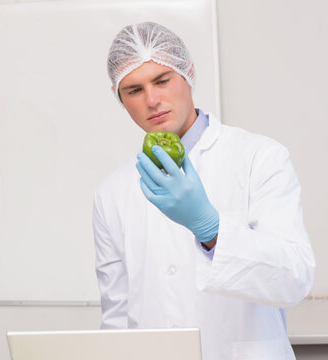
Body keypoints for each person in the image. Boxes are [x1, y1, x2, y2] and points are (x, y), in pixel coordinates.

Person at [92, 22, 316, 360]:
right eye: (134, 90)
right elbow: (118, 322)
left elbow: (294, 281)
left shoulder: (259, 157)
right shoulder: (111, 192)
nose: (152, 100)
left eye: (162, 80)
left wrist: (211, 230)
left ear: (189, 72)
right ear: (118, 98)